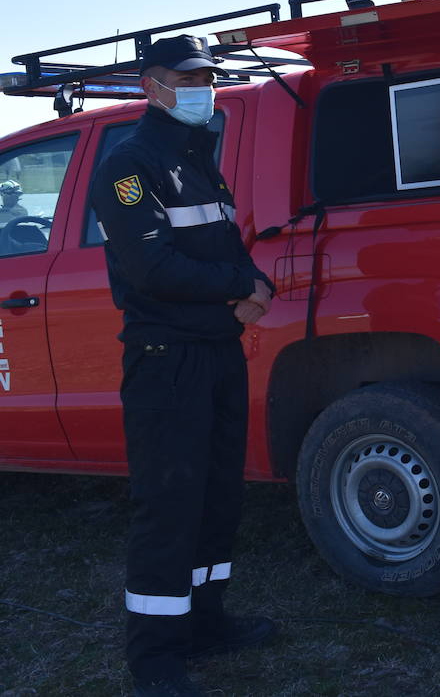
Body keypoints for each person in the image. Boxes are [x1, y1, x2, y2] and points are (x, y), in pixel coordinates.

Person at [90, 35, 278, 696]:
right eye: (188, 77)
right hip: (167, 364)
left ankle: (206, 625)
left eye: (209, 76)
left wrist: (257, 287)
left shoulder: (202, 163)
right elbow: (152, 268)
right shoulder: (129, 165)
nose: (204, 87)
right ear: (152, 85)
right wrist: (235, 297)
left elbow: (229, 250)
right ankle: (156, 659)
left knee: (217, 499)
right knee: (169, 508)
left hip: (216, 357)